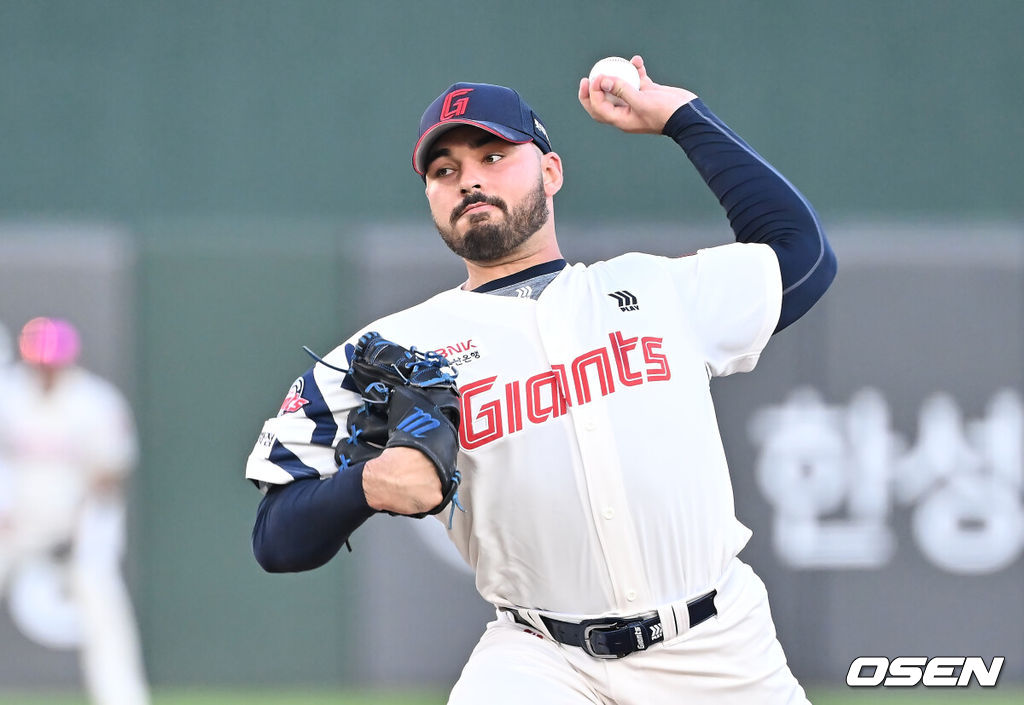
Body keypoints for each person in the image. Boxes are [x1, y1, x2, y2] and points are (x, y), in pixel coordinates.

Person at [246, 55, 837, 704]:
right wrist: (367, 483)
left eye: (493, 156)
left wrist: (679, 116)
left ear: (550, 171)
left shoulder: (653, 289)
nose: (469, 179)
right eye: (446, 171)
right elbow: (276, 537)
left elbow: (801, 257)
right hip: (540, 661)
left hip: (717, 649)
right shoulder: (395, 347)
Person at [0, 317, 150, 705]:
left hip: (81, 525)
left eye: (50, 362)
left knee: (103, 611)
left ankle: (123, 699)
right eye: (37, 361)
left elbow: (110, 471)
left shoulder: (95, 401)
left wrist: (80, 530)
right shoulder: (11, 395)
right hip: (19, 522)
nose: (43, 369)